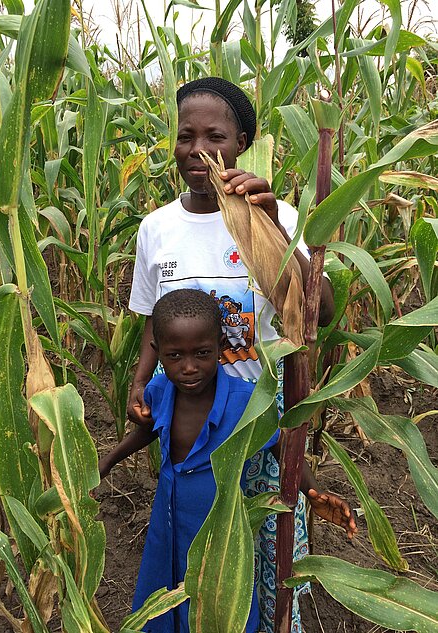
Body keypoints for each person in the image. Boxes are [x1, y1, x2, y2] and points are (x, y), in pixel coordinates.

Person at [127, 76, 335, 632]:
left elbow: (324, 310)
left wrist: (266, 220)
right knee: (202, 576)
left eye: (214, 135)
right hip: (193, 436)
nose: (198, 150)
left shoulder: (276, 215)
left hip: (261, 426)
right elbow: (154, 321)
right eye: (184, 135)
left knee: (271, 571)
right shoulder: (158, 230)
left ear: (241, 141)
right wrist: (138, 382)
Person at [99, 289, 357, 633]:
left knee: (221, 610)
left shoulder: (245, 401)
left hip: (220, 535)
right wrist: (106, 463)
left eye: (202, 353)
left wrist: (313, 492)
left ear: (222, 346)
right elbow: (149, 431)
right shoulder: (159, 390)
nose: (189, 367)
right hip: (168, 524)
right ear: (157, 352)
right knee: (160, 601)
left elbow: (281, 447)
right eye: (175, 356)